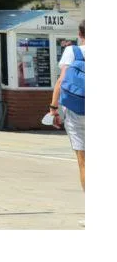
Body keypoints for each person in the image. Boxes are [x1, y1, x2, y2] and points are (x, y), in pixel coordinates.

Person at [50, 21, 85, 190]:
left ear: (80, 34)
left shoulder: (73, 51)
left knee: (84, 163)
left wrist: (53, 108)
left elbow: (61, 80)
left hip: (76, 109)